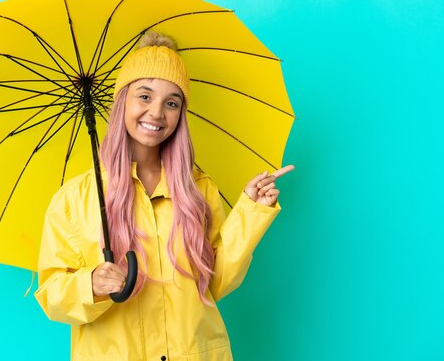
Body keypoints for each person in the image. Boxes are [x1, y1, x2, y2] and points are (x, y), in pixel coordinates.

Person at [35, 31, 294, 361]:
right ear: (123, 101)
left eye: (171, 102)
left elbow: (213, 284)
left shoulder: (197, 189)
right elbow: (51, 294)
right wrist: (91, 285)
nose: (157, 112)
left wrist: (252, 211)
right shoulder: (74, 200)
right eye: (144, 96)